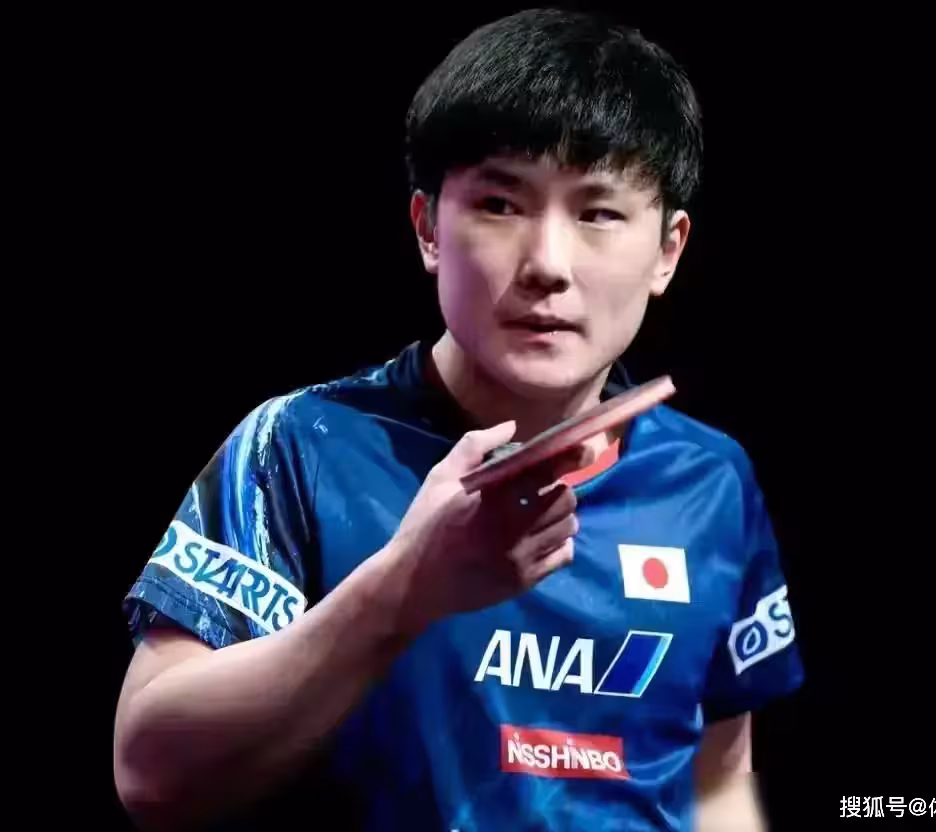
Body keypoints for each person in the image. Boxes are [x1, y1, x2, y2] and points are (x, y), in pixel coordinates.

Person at [113, 9, 803, 831]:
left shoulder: (711, 479)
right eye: (501, 204)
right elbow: (150, 774)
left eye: (598, 213)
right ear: (428, 228)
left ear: (668, 251)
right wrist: (399, 593)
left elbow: (719, 780)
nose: (548, 265)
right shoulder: (299, 447)